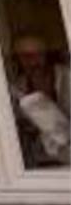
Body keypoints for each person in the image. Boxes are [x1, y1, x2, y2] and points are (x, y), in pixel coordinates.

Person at [8, 30, 70, 167]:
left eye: (38, 54)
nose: (32, 61)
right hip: (41, 165)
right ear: (17, 59)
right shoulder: (16, 89)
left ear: (46, 54)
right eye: (25, 56)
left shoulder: (67, 76)